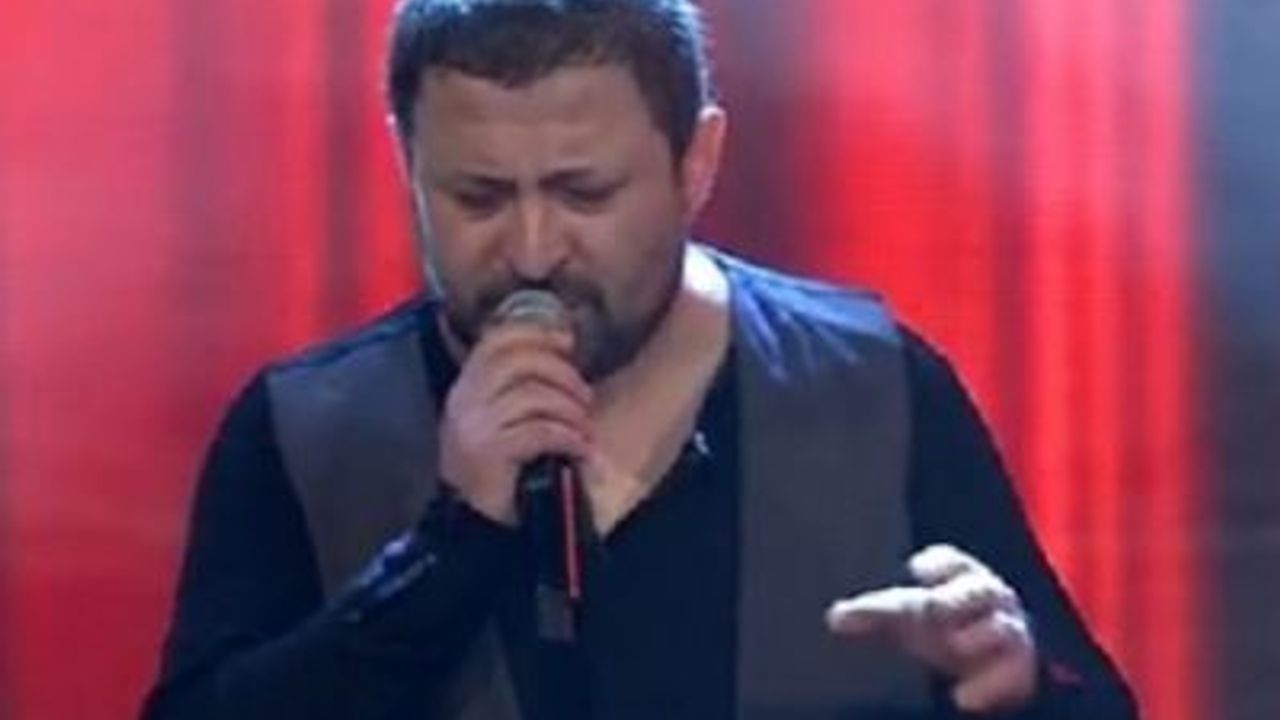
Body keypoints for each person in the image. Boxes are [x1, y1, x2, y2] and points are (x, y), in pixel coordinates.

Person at [142, 1, 1139, 718]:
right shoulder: (306, 431)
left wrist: (1011, 685)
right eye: (478, 198)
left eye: (583, 194)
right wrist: (447, 551)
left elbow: (1078, 696)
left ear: (695, 164)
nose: (532, 251)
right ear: (407, 162)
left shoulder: (870, 389)